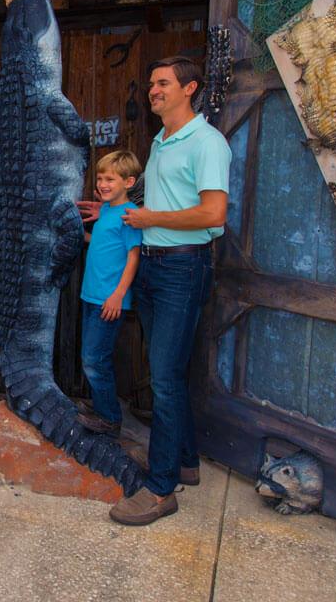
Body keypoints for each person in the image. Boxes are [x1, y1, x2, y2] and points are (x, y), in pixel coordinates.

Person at [92, 55, 230, 526]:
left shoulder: (207, 143)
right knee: (168, 373)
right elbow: (156, 199)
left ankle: (160, 489)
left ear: (189, 88)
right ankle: (187, 462)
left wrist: (151, 219)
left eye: (163, 82)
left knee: (165, 379)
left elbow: (213, 215)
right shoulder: (161, 139)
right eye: (152, 82)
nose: (153, 90)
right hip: (153, 265)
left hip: (181, 268)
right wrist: (111, 209)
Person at [75, 150, 144, 438]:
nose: (102, 184)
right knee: (91, 356)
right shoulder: (106, 212)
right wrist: (79, 235)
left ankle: (109, 418)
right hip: (91, 296)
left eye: (110, 179)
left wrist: (118, 295)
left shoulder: (128, 217)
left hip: (108, 300)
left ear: (128, 182)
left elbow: (133, 256)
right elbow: (100, 241)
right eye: (100, 178)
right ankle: (101, 407)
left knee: (94, 359)